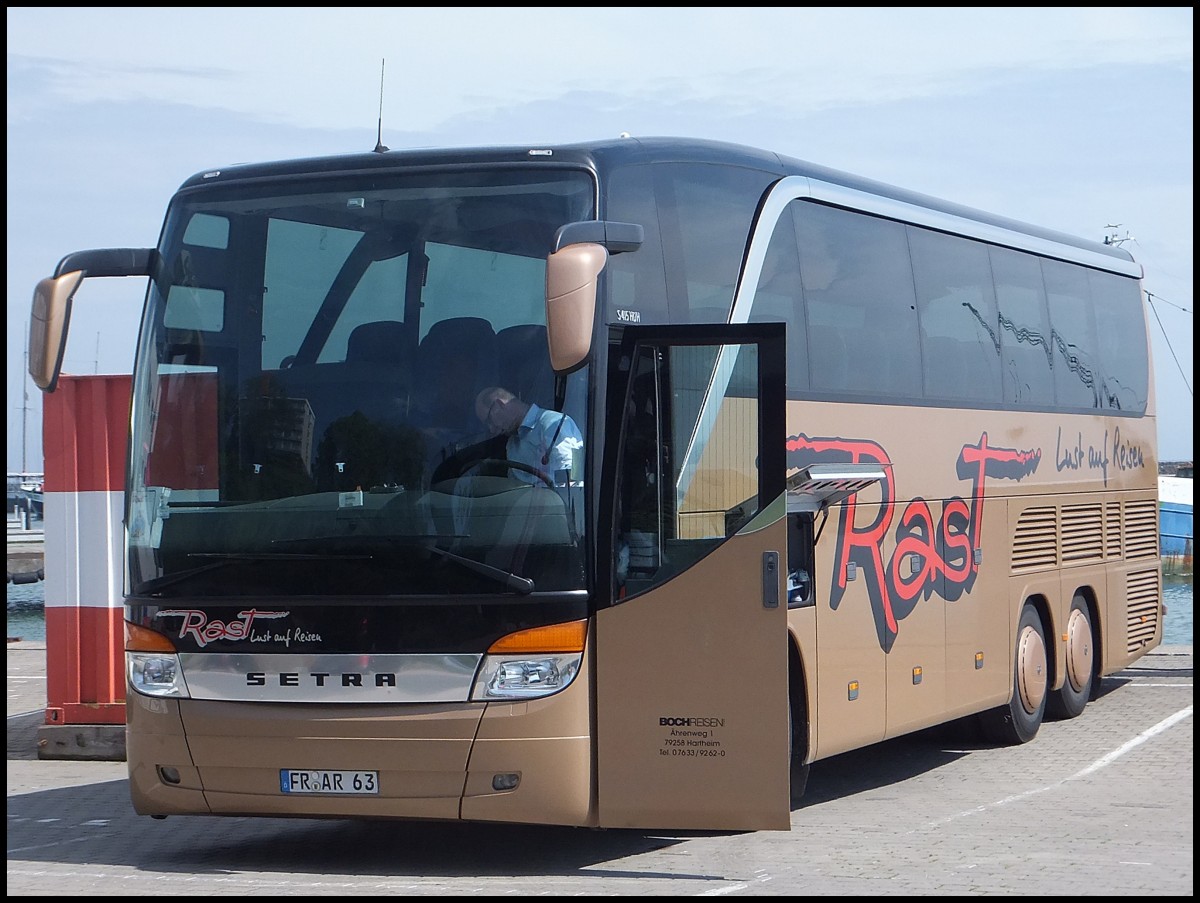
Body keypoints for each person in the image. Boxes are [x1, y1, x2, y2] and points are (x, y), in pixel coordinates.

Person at [474, 386, 583, 486]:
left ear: (499, 404)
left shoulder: (554, 424)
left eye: (489, 421)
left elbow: (573, 480)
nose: (492, 429)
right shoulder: (512, 445)